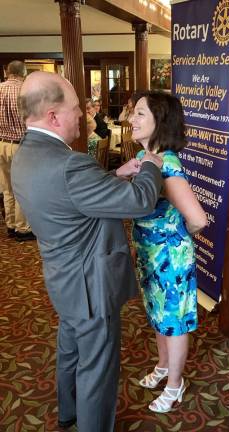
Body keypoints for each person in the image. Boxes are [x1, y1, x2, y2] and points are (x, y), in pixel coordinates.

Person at [11, 71, 163, 432]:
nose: (83, 114)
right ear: (53, 116)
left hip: (63, 278)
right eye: (76, 108)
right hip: (90, 284)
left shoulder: (25, 154)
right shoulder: (69, 164)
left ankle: (68, 414)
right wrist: (150, 168)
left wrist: (118, 174)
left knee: (71, 350)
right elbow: (140, 201)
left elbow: (74, 200)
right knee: (97, 367)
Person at [130, 91, 207, 414]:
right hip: (150, 256)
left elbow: (198, 220)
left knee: (172, 323)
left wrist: (173, 240)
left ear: (159, 121)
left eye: (139, 114)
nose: (130, 119)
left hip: (169, 260)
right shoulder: (145, 155)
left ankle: (175, 385)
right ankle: (163, 366)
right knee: (159, 317)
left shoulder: (167, 165)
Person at [0, 60, 35, 241]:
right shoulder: (26, 91)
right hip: (21, 144)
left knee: (7, 188)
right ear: (23, 73)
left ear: (7, 72)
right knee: (23, 187)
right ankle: (23, 228)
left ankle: (11, 224)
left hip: (1, 144)